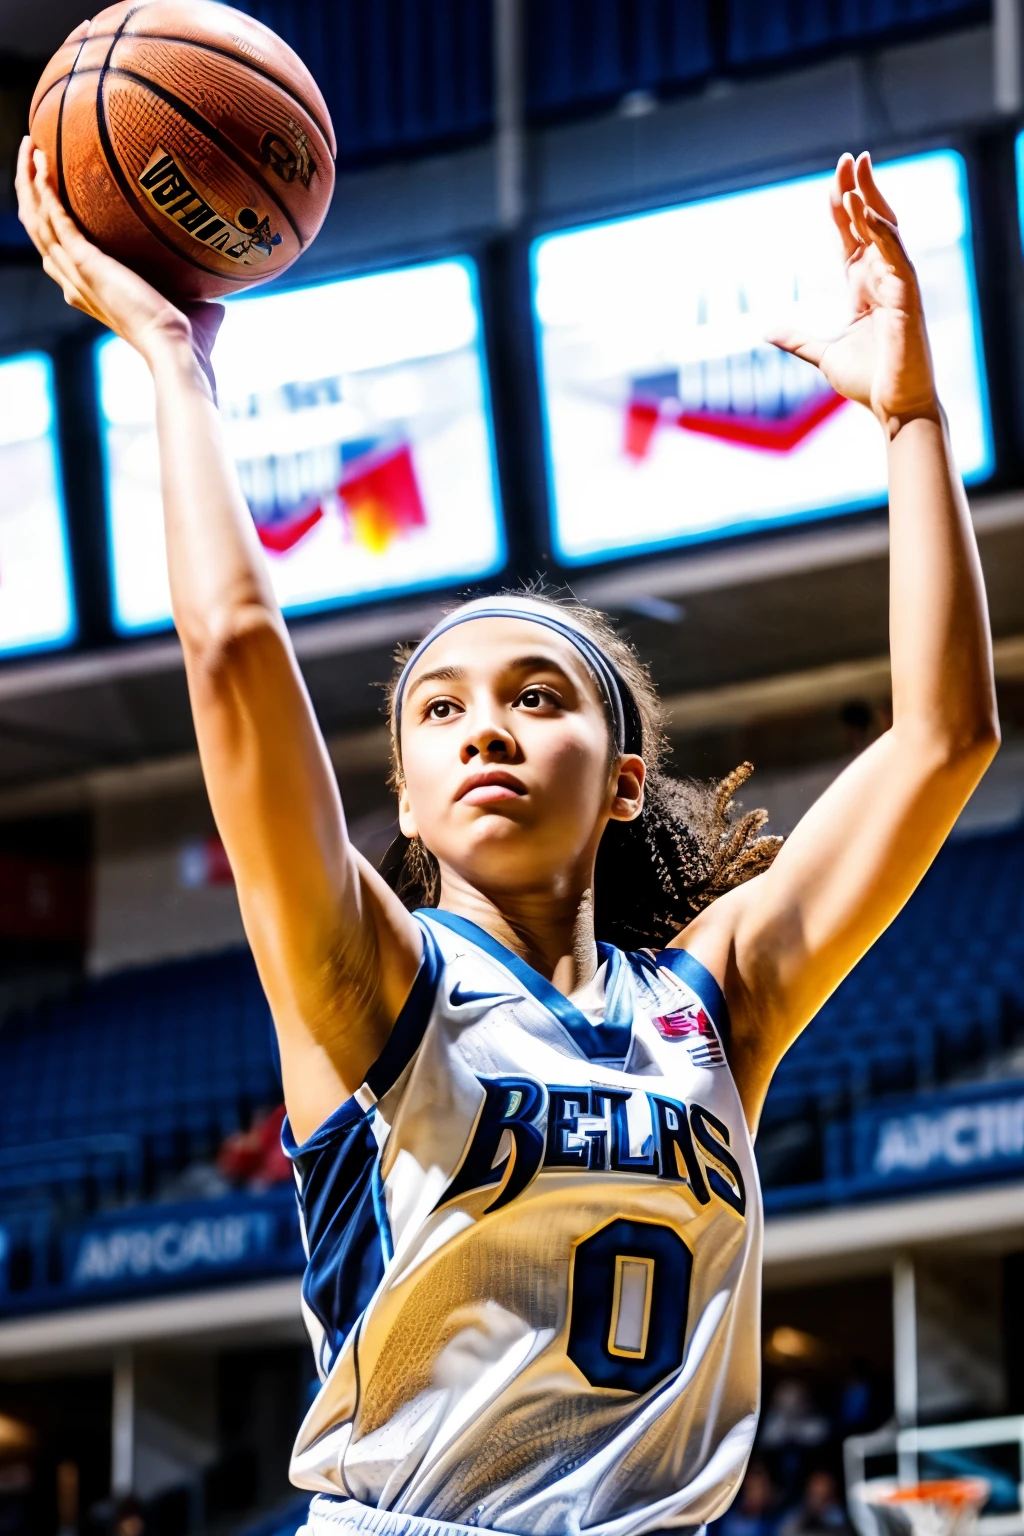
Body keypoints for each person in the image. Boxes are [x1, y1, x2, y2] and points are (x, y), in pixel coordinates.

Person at [16, 141, 999, 1536]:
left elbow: (944, 739)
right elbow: (232, 649)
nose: (487, 730)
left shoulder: (716, 999)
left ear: (619, 780)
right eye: (441, 711)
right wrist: (176, 359)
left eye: (539, 701)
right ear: (404, 800)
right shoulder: (369, 981)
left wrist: (910, 417)